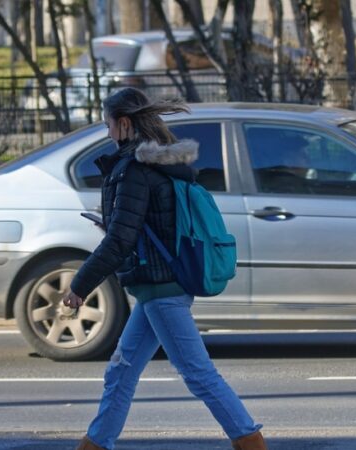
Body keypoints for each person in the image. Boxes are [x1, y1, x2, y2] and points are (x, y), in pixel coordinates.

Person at [62, 87, 266, 450]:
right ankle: (96, 442)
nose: (107, 132)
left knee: (197, 373)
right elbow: (144, 226)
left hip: (161, 288)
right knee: (121, 372)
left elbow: (120, 240)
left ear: (123, 123)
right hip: (154, 285)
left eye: (108, 124)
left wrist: (80, 284)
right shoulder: (155, 166)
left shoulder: (134, 171)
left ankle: (250, 440)